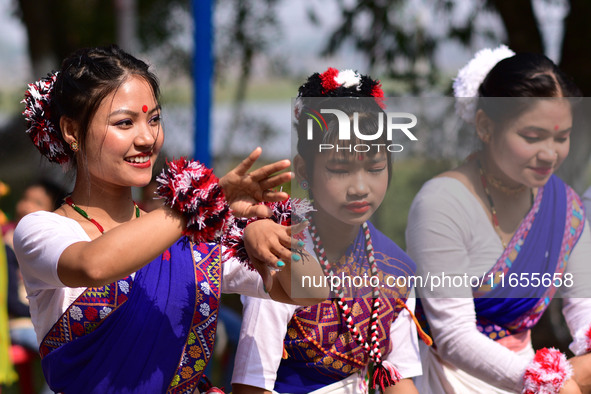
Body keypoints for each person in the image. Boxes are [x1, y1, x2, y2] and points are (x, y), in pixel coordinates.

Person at [12, 44, 327, 394]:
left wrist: (270, 237)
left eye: (155, 119)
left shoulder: (188, 237)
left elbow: (311, 290)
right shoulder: (43, 230)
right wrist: (205, 201)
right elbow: (95, 264)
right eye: (125, 123)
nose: (147, 138)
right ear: (72, 131)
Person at [406, 45, 591, 393]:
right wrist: (549, 380)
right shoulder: (441, 204)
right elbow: (454, 336)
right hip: (450, 379)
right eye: (532, 137)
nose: (550, 154)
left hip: (532, 375)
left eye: (561, 138)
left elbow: (585, 306)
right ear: (485, 125)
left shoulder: (564, 206)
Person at [232, 68, 429, 394]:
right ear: (303, 170)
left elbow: (398, 376)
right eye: (340, 169)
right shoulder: (280, 256)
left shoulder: (396, 266)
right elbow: (252, 386)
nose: (360, 188)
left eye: (375, 167)